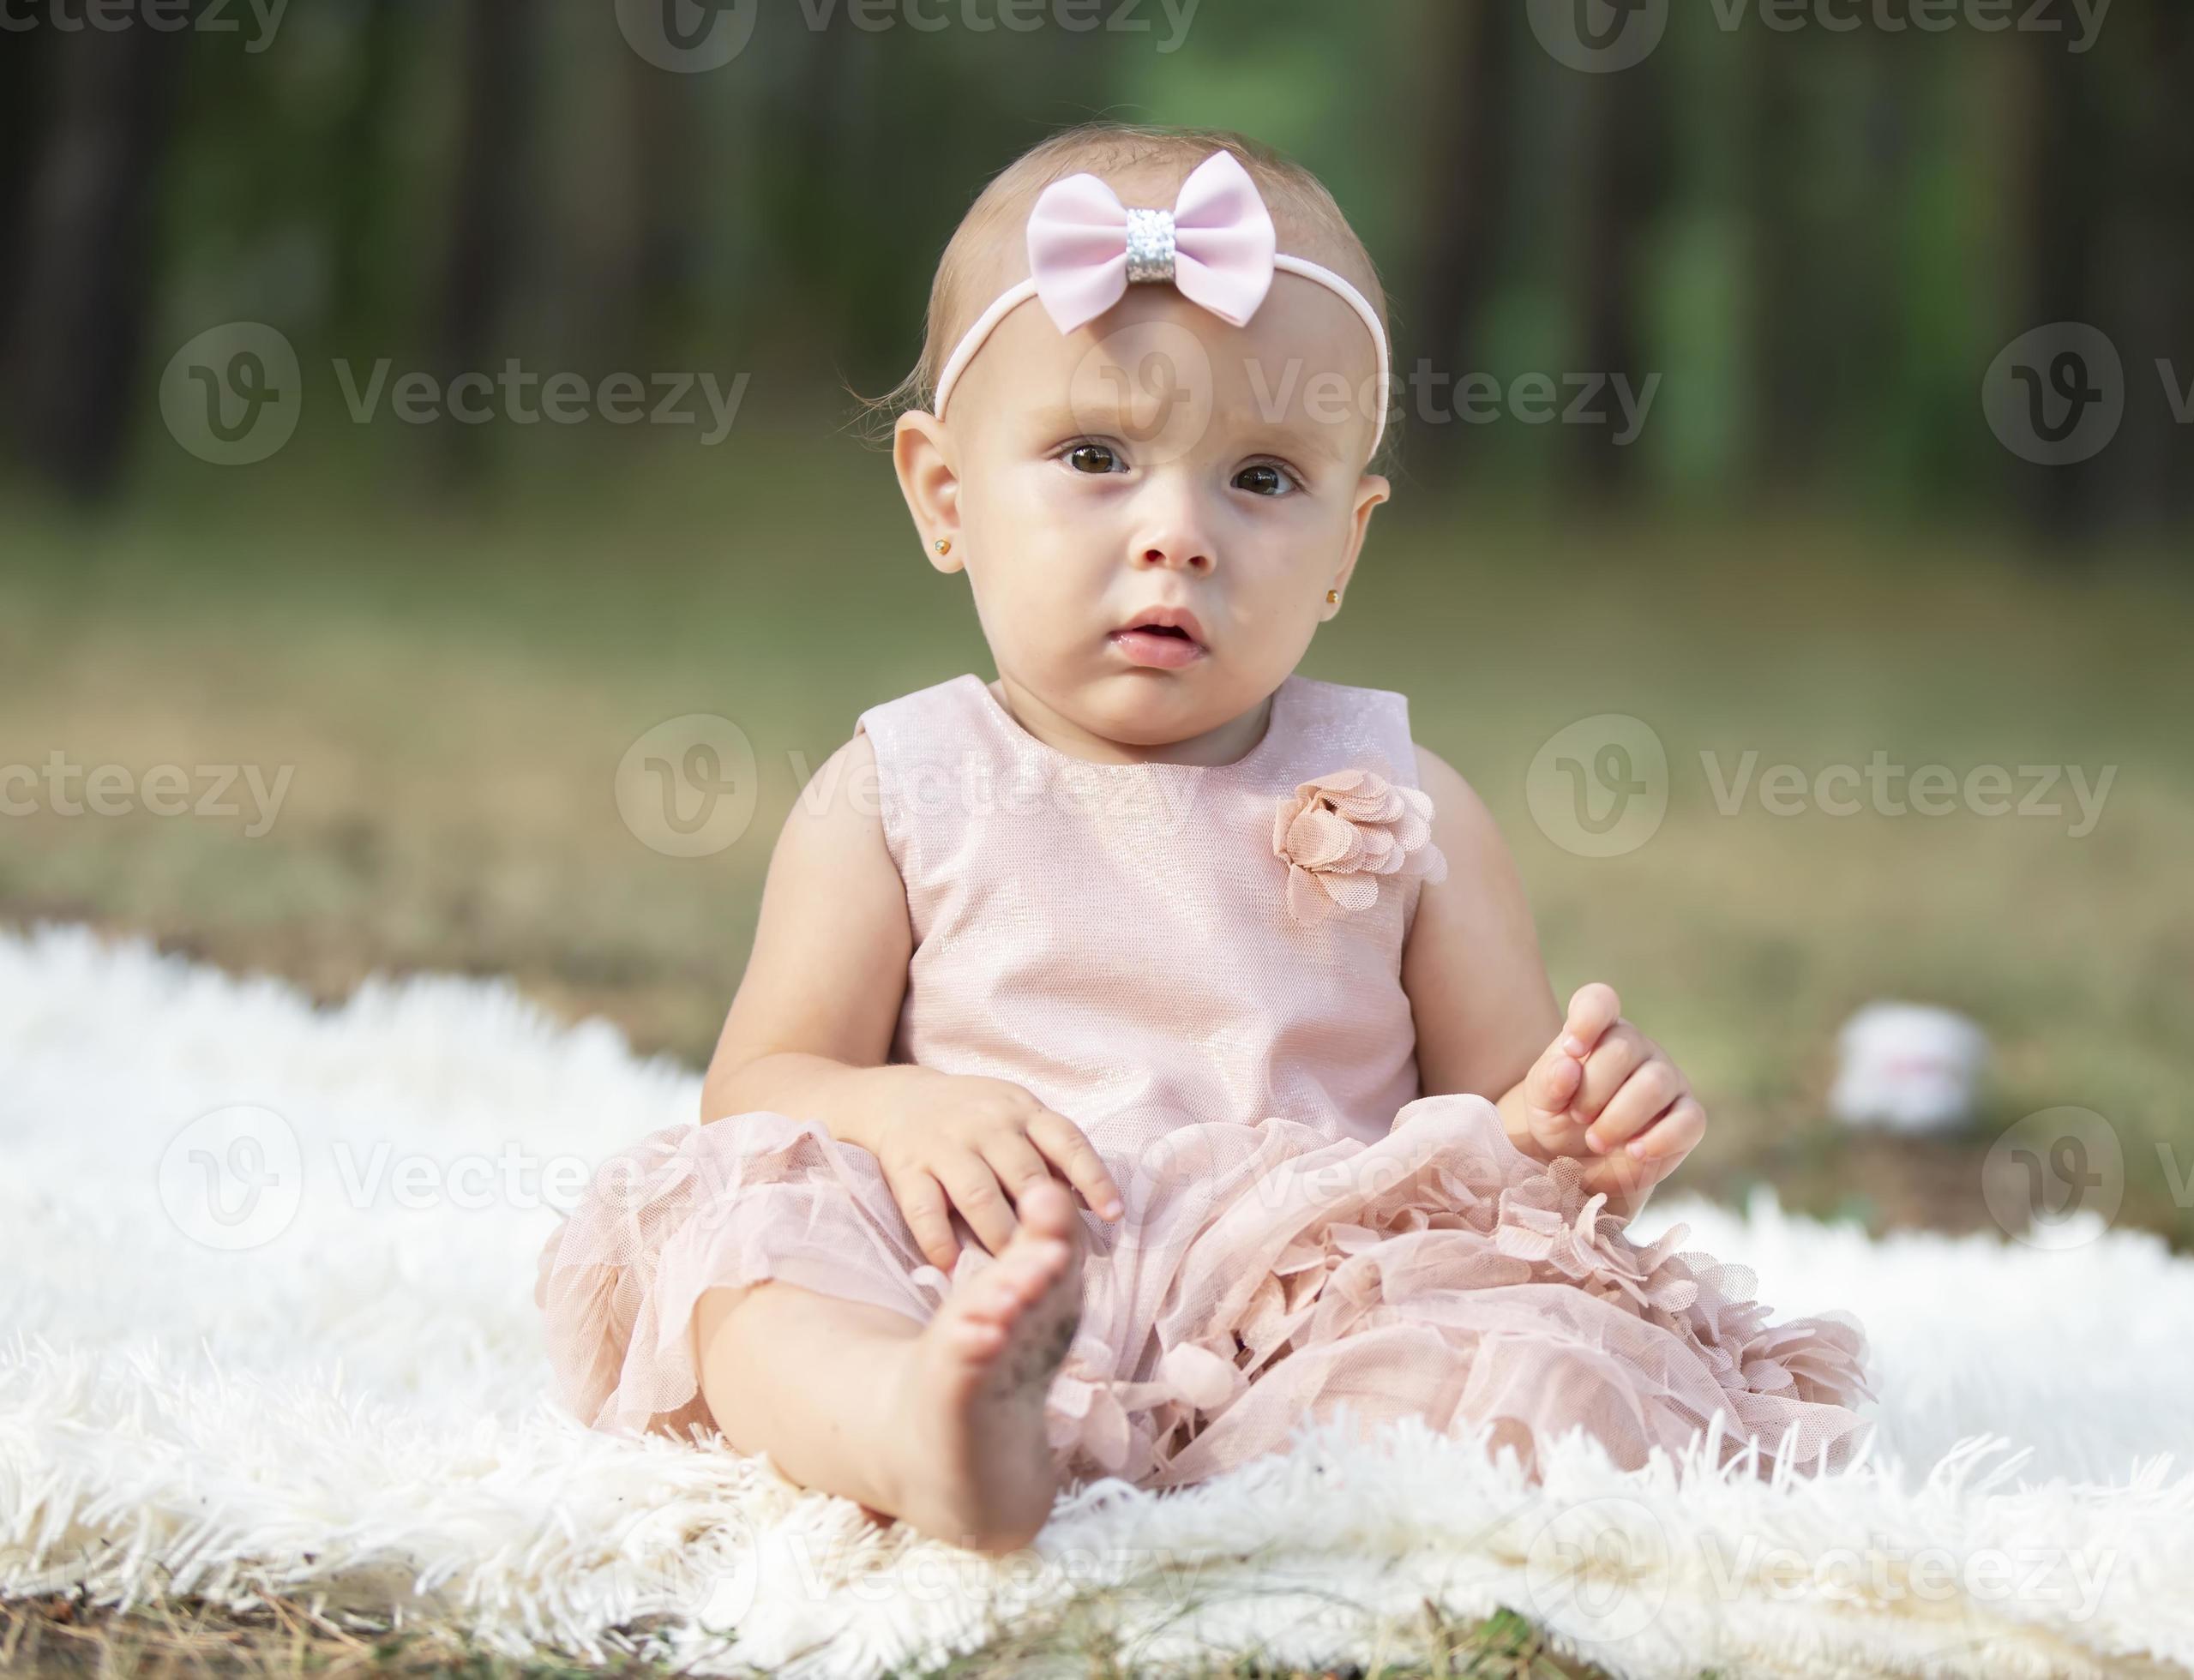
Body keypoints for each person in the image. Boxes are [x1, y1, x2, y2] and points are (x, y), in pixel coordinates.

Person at [536, 123, 1869, 1557]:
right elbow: (758, 1085)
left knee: (1533, 1349)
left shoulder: (1409, 803)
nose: (1178, 533)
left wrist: (1576, 1137)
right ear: (945, 496)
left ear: (1348, 547)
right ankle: (920, 1425)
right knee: (745, 1231)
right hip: (977, 1266)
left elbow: (1503, 1139)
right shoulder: (897, 788)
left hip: (1303, 1301)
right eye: (1095, 455)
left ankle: (1295, 1492)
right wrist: (898, 1112)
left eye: (1264, 479)